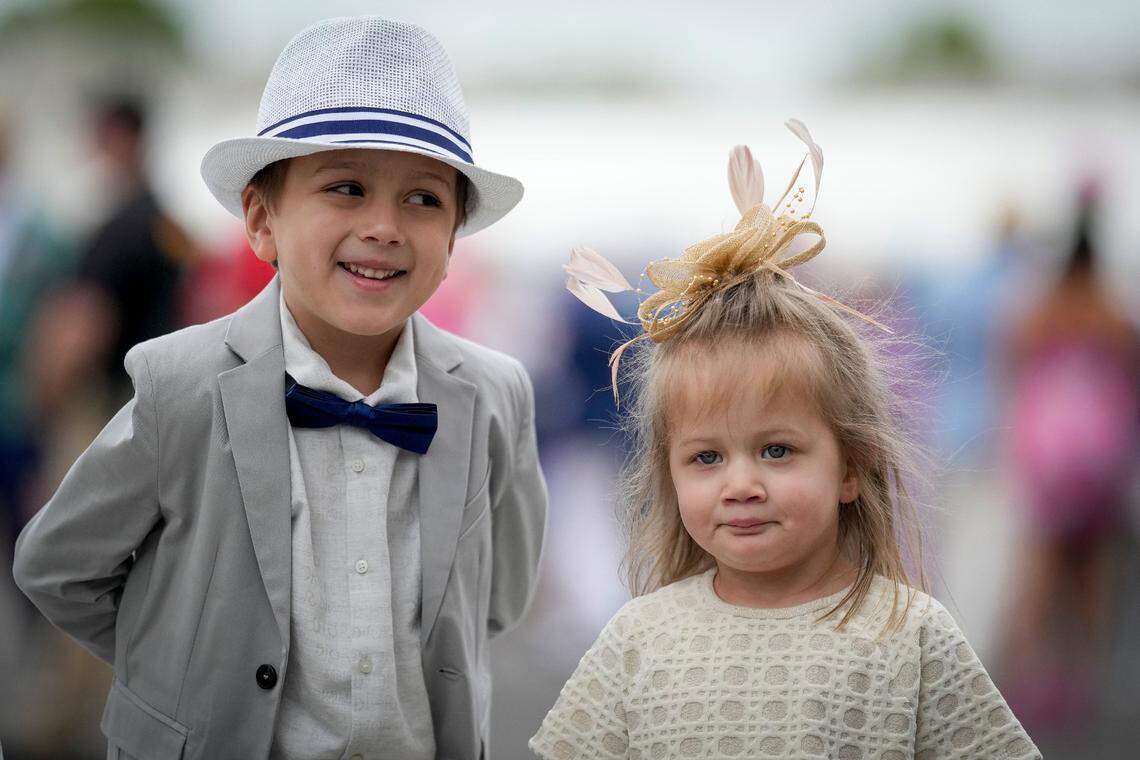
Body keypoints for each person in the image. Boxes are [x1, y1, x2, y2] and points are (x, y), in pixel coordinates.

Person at [14, 17, 547, 760]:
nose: (384, 226)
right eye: (346, 188)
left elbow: (500, 595)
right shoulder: (184, 384)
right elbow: (59, 565)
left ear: (455, 235)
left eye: (423, 199)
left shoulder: (495, 394)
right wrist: (185, 672)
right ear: (262, 221)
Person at [532, 123, 1039, 758]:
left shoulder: (912, 635)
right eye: (706, 457)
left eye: (776, 450)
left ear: (851, 465)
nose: (741, 484)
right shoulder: (638, 638)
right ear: (668, 474)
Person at [998, 181, 1139, 734]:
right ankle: (1081, 682)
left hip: (1049, 465)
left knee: (1040, 569)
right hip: (1102, 467)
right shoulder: (1115, 315)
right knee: (1092, 573)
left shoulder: (1039, 313)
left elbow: (1014, 380)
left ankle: (1030, 683)